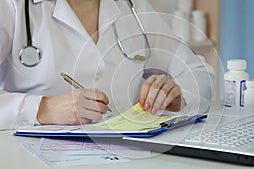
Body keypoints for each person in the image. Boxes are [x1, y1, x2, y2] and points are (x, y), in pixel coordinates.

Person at [0, 0, 215, 130]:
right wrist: (42, 109)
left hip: (128, 153)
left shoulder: (132, 6)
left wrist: (179, 99)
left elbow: (200, 72)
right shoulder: (13, 6)